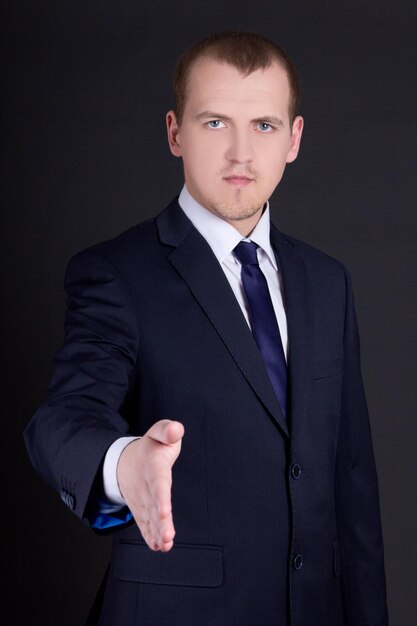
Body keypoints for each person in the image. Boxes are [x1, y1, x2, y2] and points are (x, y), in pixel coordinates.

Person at [23, 31, 389, 626]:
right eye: (215, 123)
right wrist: (123, 465)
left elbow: (353, 484)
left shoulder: (328, 281)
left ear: (294, 139)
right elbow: (62, 420)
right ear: (175, 132)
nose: (241, 153)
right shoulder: (116, 273)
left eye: (264, 126)